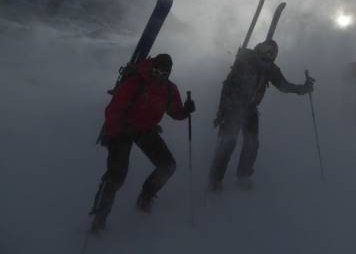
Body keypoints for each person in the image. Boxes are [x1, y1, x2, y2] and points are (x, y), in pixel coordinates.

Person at [89, 54, 195, 234]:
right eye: (156, 70)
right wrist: (113, 133)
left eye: (163, 73)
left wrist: (185, 110)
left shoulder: (168, 89)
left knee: (168, 165)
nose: (158, 75)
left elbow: (175, 112)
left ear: (168, 74)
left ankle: (145, 197)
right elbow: (113, 110)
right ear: (151, 68)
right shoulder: (136, 82)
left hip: (145, 129)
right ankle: (99, 218)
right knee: (117, 176)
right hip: (123, 128)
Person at [209, 39, 314, 191]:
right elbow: (228, 85)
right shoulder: (246, 59)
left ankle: (244, 175)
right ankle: (215, 178)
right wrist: (222, 110)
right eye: (268, 51)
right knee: (228, 142)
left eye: (273, 54)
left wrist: (303, 89)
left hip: (250, 109)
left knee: (252, 143)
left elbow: (284, 86)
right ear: (261, 48)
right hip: (233, 106)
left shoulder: (271, 69)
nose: (270, 55)